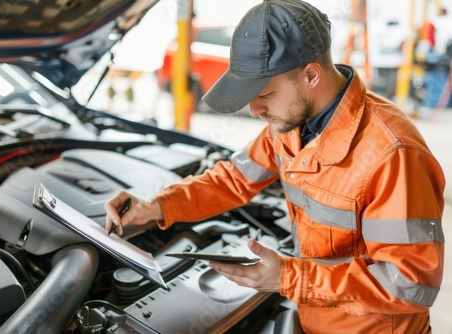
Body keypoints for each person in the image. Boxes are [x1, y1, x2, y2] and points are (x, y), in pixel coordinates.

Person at [105, 0, 445, 332]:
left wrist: (287, 277)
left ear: (311, 75)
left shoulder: (394, 155)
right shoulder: (293, 123)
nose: (255, 111)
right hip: (313, 315)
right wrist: (156, 205)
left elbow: (411, 285)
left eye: (264, 95)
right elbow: (232, 180)